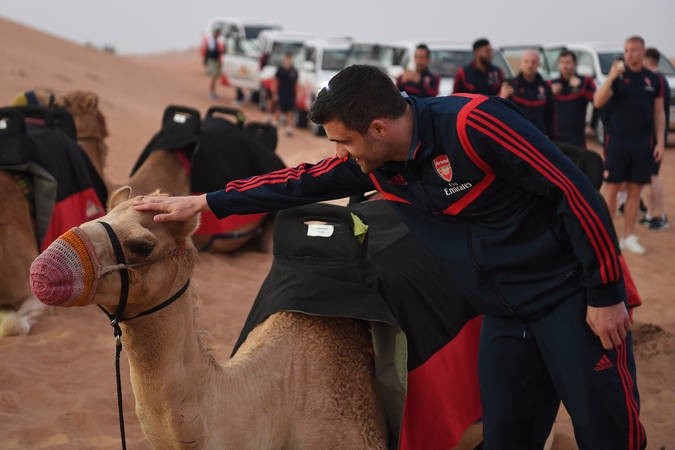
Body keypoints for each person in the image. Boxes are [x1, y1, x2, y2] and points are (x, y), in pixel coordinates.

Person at [134, 65, 645, 450]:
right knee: (507, 437)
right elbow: (298, 181)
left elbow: (573, 192)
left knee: (607, 433)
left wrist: (604, 294)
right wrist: (206, 202)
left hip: (571, 302)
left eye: (343, 142)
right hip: (503, 316)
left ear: (378, 128)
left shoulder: (474, 123)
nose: (339, 154)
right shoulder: (376, 162)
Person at [594, 35, 666, 254]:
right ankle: (608, 238)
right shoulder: (617, 76)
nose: (629, 54)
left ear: (643, 52)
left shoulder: (653, 79)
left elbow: (659, 112)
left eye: (634, 50)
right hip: (617, 142)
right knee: (612, 190)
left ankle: (628, 236)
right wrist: (611, 77)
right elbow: (597, 101)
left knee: (635, 190)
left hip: (642, 143)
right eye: (626, 50)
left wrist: (660, 142)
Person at [639, 47, 670, 231]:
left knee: (653, 176)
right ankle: (651, 214)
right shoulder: (657, 79)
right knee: (648, 177)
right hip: (649, 135)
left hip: (654, 136)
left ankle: (661, 215)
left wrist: (659, 141)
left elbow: (658, 112)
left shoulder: (658, 80)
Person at [549, 49, 597, 147]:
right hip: (556, 137)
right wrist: (550, 93)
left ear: (575, 64)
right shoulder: (551, 84)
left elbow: (597, 102)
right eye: (562, 62)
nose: (565, 66)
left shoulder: (585, 81)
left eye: (568, 62)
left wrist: (592, 125)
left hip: (577, 137)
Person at [501, 50, 553, 136]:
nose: (530, 65)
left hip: (539, 135)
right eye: (526, 61)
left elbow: (550, 115)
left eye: (533, 62)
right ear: (521, 63)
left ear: (538, 64)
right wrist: (502, 97)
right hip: (518, 135)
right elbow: (502, 112)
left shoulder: (545, 87)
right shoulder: (511, 85)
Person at [273, 52, 298, 137]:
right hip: (281, 94)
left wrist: (297, 95)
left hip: (291, 94)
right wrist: (275, 93)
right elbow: (275, 81)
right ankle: (275, 125)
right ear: (284, 59)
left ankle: (289, 129)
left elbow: (296, 83)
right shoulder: (280, 70)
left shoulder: (294, 71)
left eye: (290, 59)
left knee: (290, 112)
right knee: (278, 110)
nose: (288, 60)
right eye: (287, 59)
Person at [204, 29, 223, 100]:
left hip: (216, 60)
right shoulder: (211, 40)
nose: (218, 35)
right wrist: (220, 52)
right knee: (214, 76)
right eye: (218, 33)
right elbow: (211, 51)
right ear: (215, 33)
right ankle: (211, 93)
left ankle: (213, 93)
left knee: (216, 77)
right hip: (213, 60)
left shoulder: (216, 40)